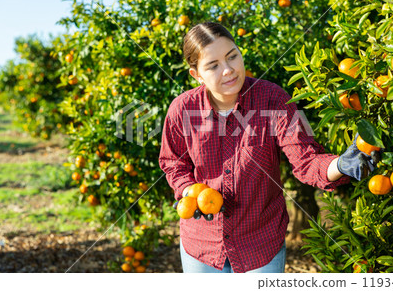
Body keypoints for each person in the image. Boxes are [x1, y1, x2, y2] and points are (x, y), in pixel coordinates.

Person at [158, 22, 380, 273]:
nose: (229, 70)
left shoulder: (272, 99)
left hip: (260, 244)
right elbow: (174, 162)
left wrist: (339, 165)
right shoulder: (182, 109)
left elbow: (305, 159)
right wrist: (188, 190)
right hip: (202, 246)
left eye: (233, 56)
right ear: (196, 74)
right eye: (213, 65)